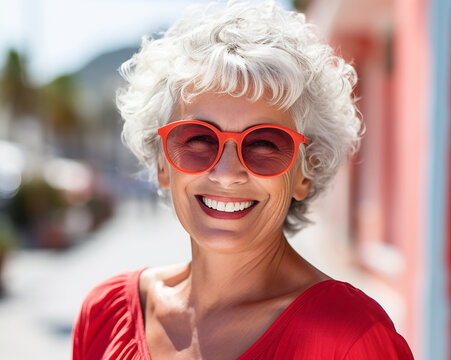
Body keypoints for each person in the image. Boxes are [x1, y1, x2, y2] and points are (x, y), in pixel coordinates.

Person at [72, 1, 414, 359]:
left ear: (305, 172)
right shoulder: (104, 316)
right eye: (198, 139)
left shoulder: (351, 339)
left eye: (265, 143)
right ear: (162, 164)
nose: (227, 172)